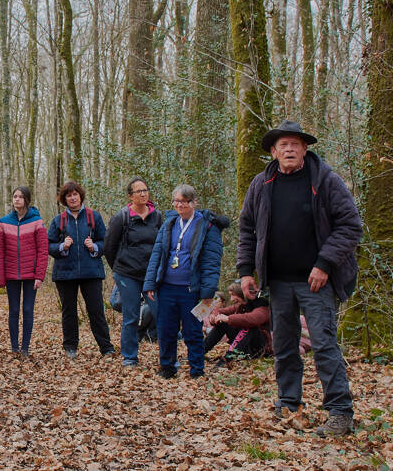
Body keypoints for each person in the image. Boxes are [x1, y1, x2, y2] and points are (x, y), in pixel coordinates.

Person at [236, 120, 361, 436]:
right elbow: (247, 230)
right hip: (277, 282)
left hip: (316, 281)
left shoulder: (326, 180)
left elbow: (350, 226)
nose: (289, 149)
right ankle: (289, 404)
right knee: (285, 346)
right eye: (283, 144)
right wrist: (246, 272)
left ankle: (340, 414)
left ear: (305, 149)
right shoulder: (261, 184)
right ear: (274, 151)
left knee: (323, 343)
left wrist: (324, 264)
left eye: (295, 143)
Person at [144, 184, 228, 379]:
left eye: (184, 201)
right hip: (166, 287)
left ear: (194, 202)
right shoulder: (169, 224)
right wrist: (149, 283)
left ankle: (197, 369)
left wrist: (208, 291)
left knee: (192, 331)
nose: (179, 205)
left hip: (191, 289)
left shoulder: (207, 226)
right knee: (166, 329)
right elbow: (157, 254)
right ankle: (167, 367)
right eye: (176, 201)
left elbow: (212, 261)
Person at [47, 181, 115, 359]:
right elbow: (48, 245)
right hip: (65, 272)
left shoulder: (94, 217)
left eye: (75, 194)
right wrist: (62, 246)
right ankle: (70, 347)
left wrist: (95, 248)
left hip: (91, 271)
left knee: (96, 310)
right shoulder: (58, 220)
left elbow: (105, 242)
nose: (72, 198)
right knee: (69, 312)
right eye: (69, 195)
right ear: (64, 199)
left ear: (80, 196)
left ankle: (106, 347)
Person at [103, 176, 163, 367]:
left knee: (160, 313)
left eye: (145, 190)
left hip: (151, 275)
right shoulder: (122, 217)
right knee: (130, 316)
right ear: (130, 196)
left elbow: (162, 245)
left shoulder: (158, 216)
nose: (143, 194)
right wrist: (118, 270)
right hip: (127, 274)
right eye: (139, 191)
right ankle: (130, 356)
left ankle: (167, 356)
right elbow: (109, 247)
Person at [0, 186, 48, 356]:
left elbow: (43, 250)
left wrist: (40, 275)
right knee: (14, 310)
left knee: (27, 310)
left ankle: (25, 347)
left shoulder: (36, 221)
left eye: (20, 197)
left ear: (27, 200)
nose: (17, 199)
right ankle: (14, 347)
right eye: (14, 196)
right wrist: (0, 279)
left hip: (31, 274)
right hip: (11, 274)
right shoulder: (4, 222)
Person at [205, 282, 271, 365]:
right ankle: (200, 352)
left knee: (249, 326)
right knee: (222, 323)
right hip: (244, 346)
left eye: (233, 295)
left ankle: (227, 359)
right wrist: (214, 316)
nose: (232, 299)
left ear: (242, 293)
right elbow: (222, 311)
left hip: (258, 348)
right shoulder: (241, 305)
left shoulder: (262, 307)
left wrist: (228, 318)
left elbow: (252, 319)